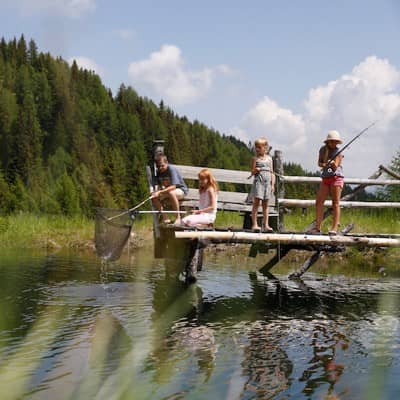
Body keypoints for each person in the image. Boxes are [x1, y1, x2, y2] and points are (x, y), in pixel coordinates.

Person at [311, 130, 344, 235]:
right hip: (325, 178)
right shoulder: (322, 150)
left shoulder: (339, 152)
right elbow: (319, 163)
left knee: (335, 203)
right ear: (328, 142)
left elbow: (336, 167)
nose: (333, 143)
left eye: (335, 142)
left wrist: (333, 163)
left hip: (336, 177)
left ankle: (334, 228)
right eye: (331, 141)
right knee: (319, 202)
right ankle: (317, 227)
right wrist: (325, 164)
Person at [152, 154, 188, 225]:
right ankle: (165, 217)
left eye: (162, 165)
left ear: (167, 163)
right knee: (154, 197)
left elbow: (173, 186)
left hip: (180, 190)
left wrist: (160, 192)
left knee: (171, 193)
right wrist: (156, 192)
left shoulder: (171, 169)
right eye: (158, 166)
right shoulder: (159, 172)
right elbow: (159, 185)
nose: (160, 168)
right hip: (168, 191)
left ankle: (178, 217)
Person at [249, 138, 275, 232]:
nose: (258, 149)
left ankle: (266, 225)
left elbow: (272, 173)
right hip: (258, 182)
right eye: (257, 147)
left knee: (266, 204)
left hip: (267, 183)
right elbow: (252, 172)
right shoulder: (255, 159)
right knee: (256, 203)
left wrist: (272, 184)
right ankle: (255, 224)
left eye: (260, 147)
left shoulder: (269, 159)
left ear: (266, 148)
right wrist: (255, 170)